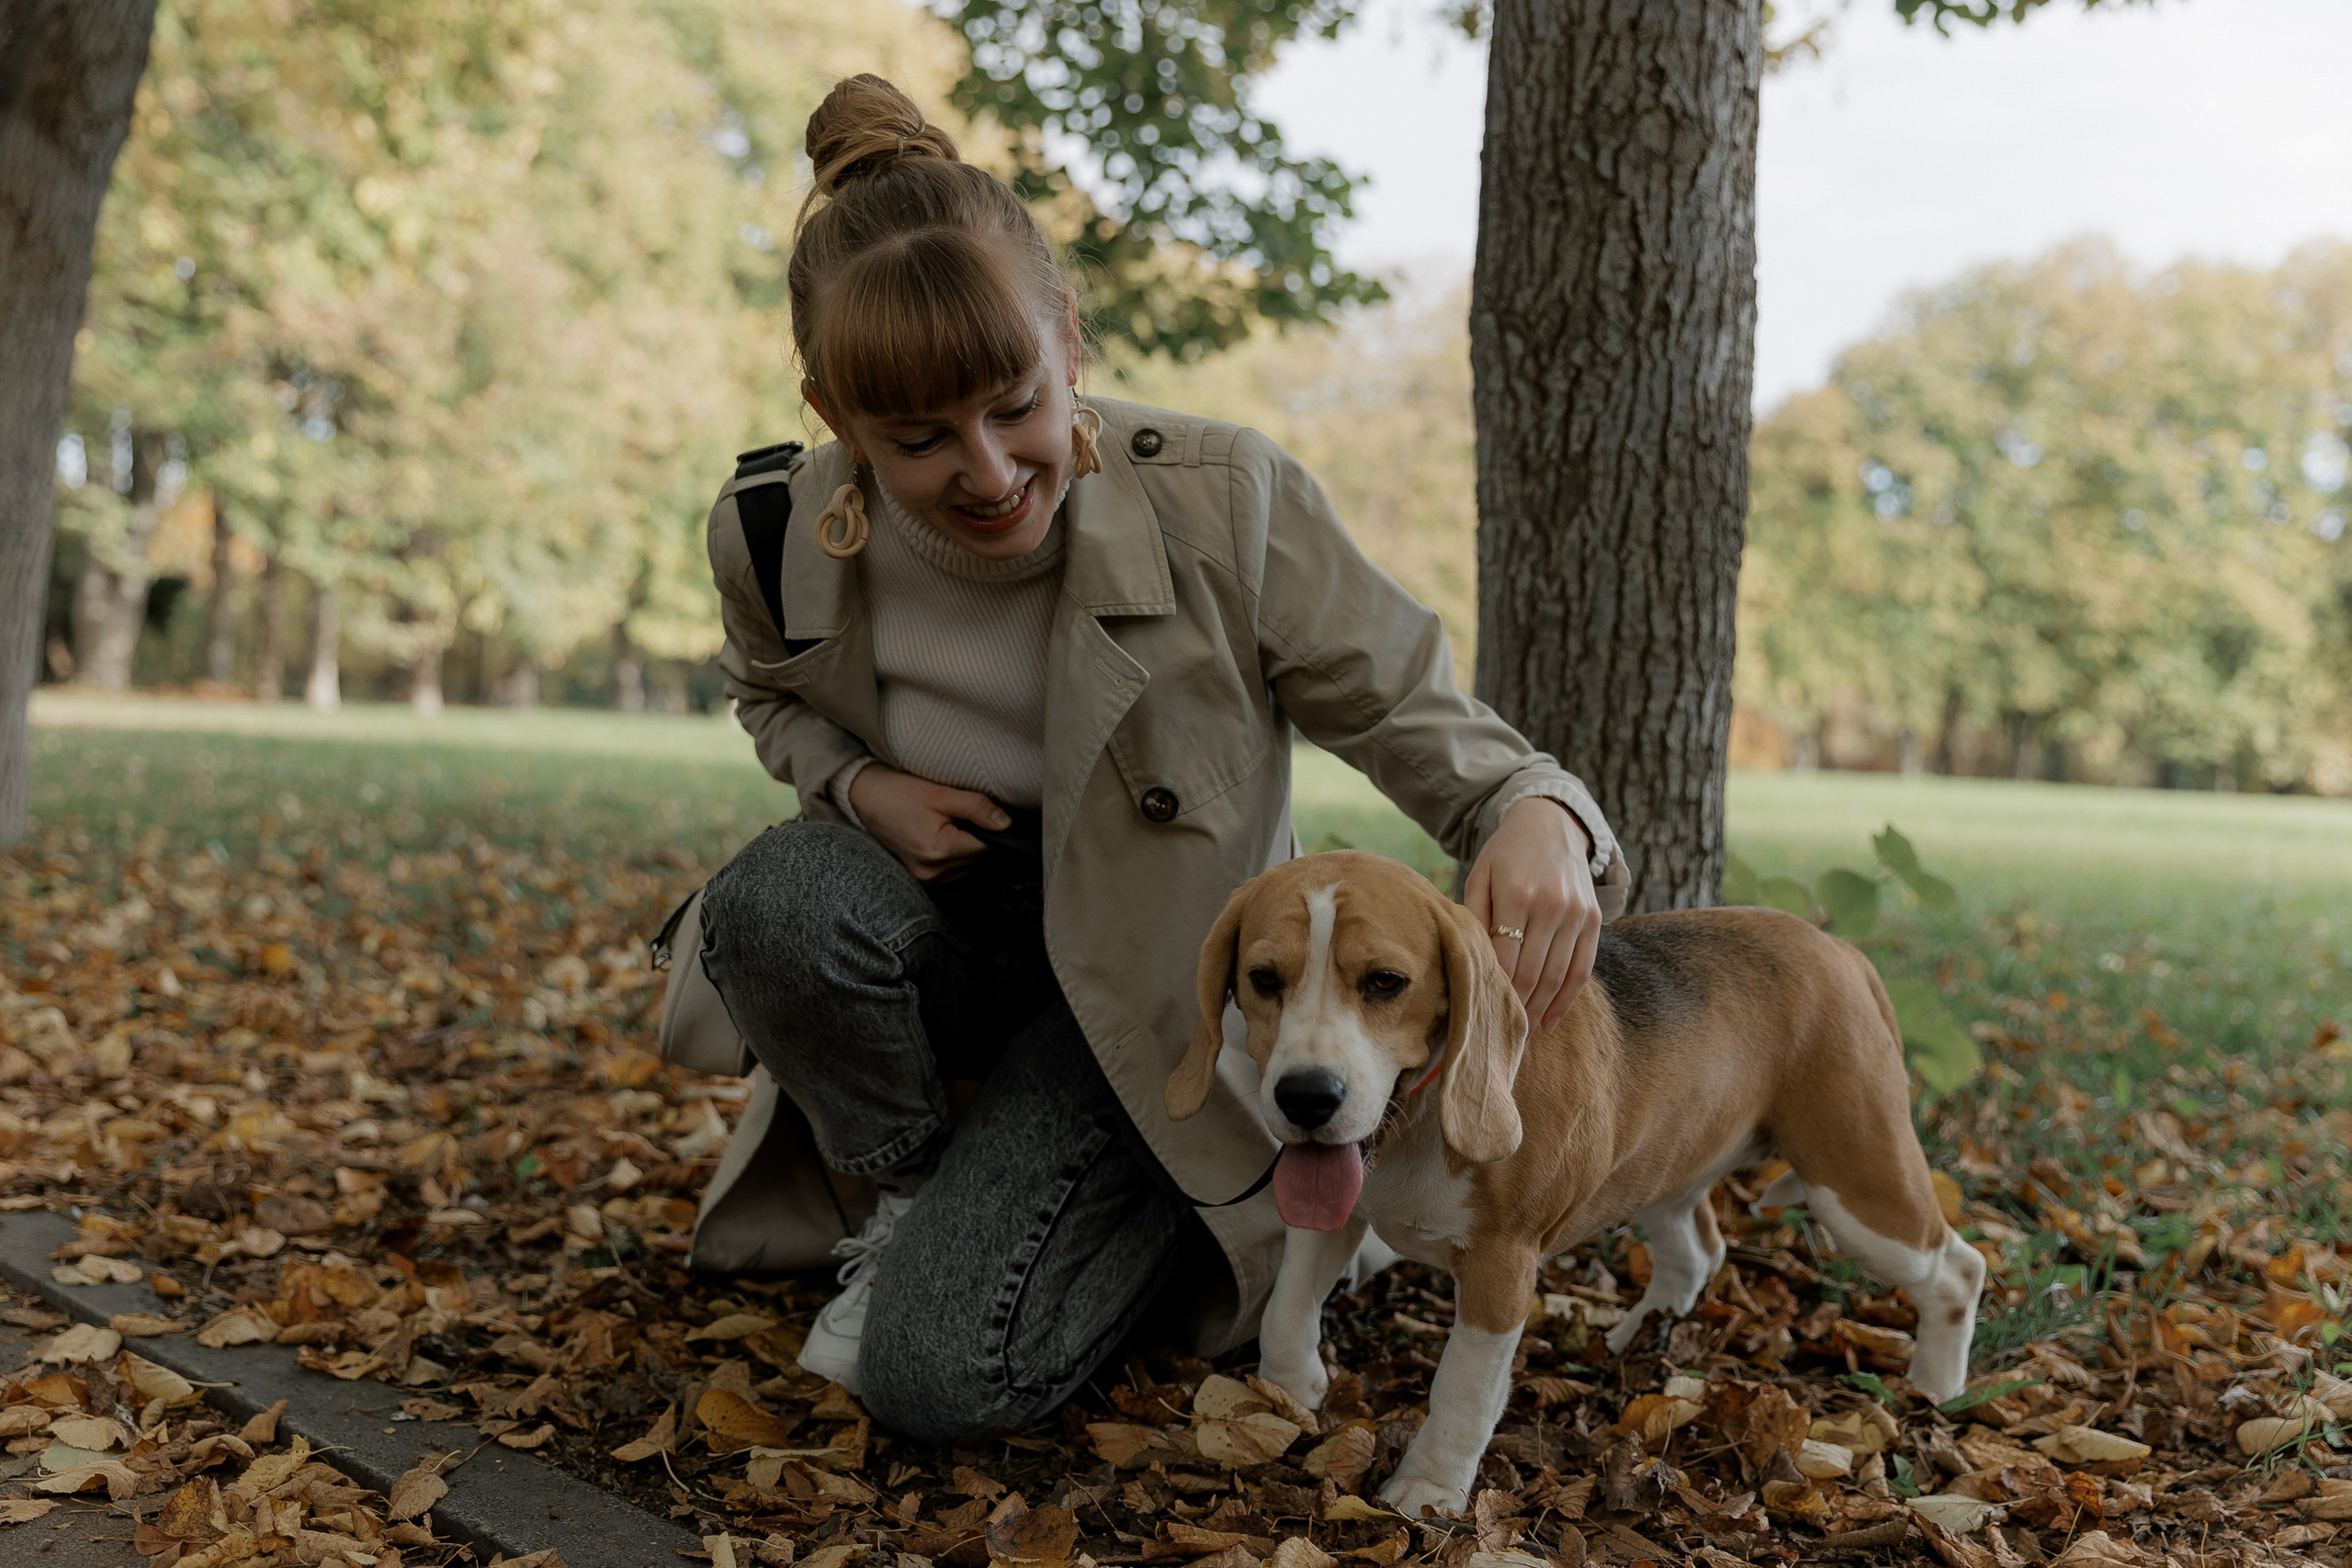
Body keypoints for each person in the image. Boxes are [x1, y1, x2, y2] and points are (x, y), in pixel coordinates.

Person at [688, 73, 1630, 1446]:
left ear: (1069, 336)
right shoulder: (771, 530)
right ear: (835, 413)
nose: (991, 470)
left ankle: (1168, 1208)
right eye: (916, 439)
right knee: (774, 900)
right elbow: (768, 703)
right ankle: (914, 1200)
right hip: (940, 948)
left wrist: (1533, 804)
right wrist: (855, 785)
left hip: (1153, 999)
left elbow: (1419, 717)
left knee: (936, 1387)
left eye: (1016, 404)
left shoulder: (1224, 502)